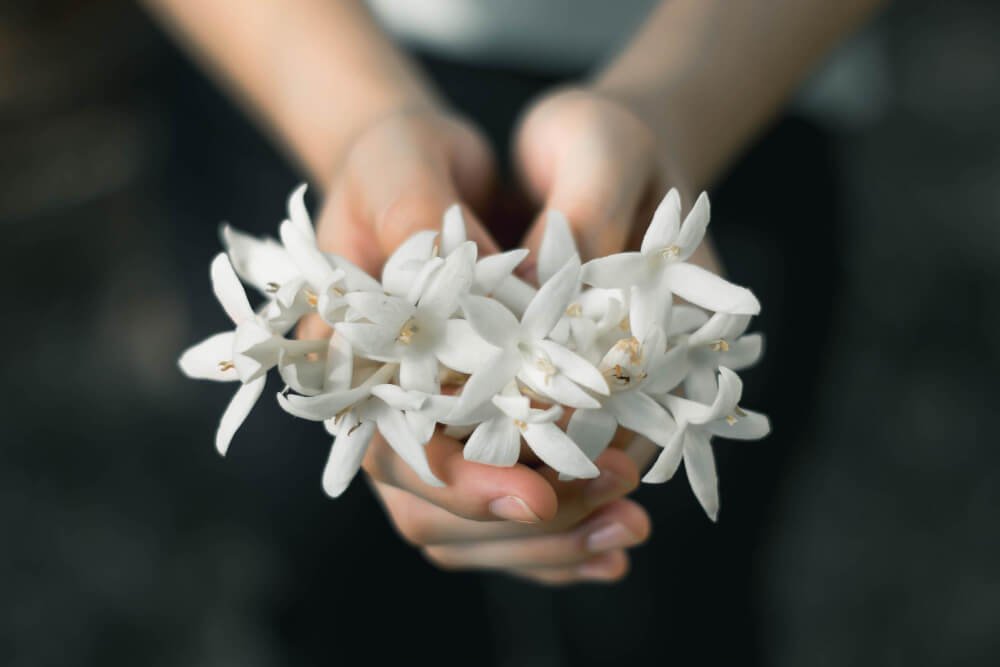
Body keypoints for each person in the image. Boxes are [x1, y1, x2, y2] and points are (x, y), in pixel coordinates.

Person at [142, 0, 885, 587]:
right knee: (333, 561)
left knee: (676, 578)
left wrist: (670, 115)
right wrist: (357, 127)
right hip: (292, 59)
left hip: (740, 77)